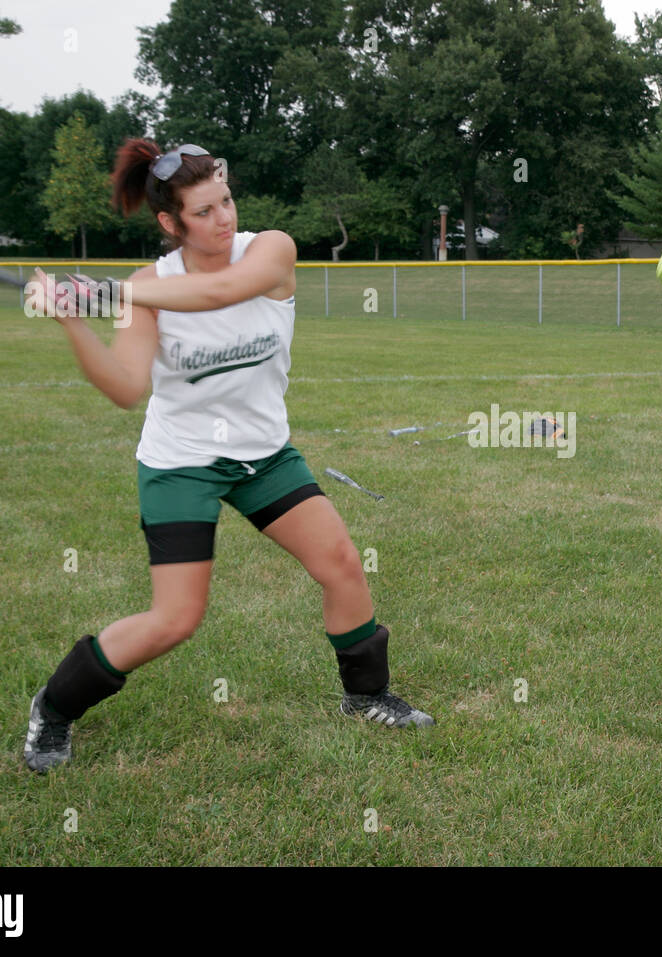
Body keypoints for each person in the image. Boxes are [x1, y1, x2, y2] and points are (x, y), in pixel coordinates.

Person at [22, 140, 433, 774]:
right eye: (205, 211)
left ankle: (366, 696)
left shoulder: (271, 251)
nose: (225, 219)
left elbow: (223, 294)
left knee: (342, 563)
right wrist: (74, 321)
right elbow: (127, 388)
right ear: (170, 223)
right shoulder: (146, 287)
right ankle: (54, 709)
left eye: (227, 200)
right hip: (181, 460)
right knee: (176, 618)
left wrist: (108, 297)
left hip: (263, 455)